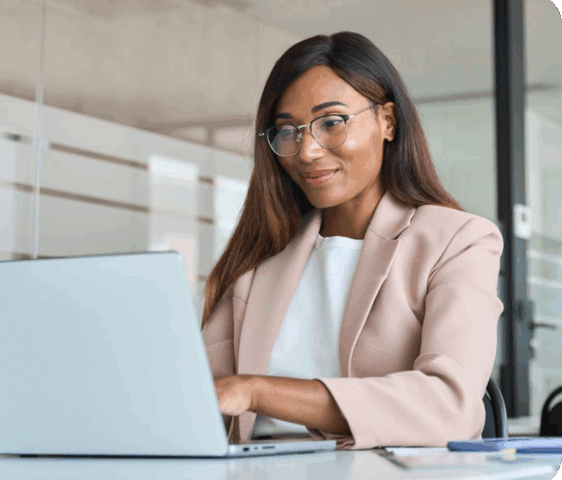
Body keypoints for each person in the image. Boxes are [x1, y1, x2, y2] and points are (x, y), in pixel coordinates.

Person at [200, 31, 504, 450]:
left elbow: (448, 407)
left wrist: (256, 391)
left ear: (388, 122)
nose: (306, 151)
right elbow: (202, 395)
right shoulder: (258, 260)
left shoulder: (456, 240)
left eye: (331, 122)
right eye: (287, 131)